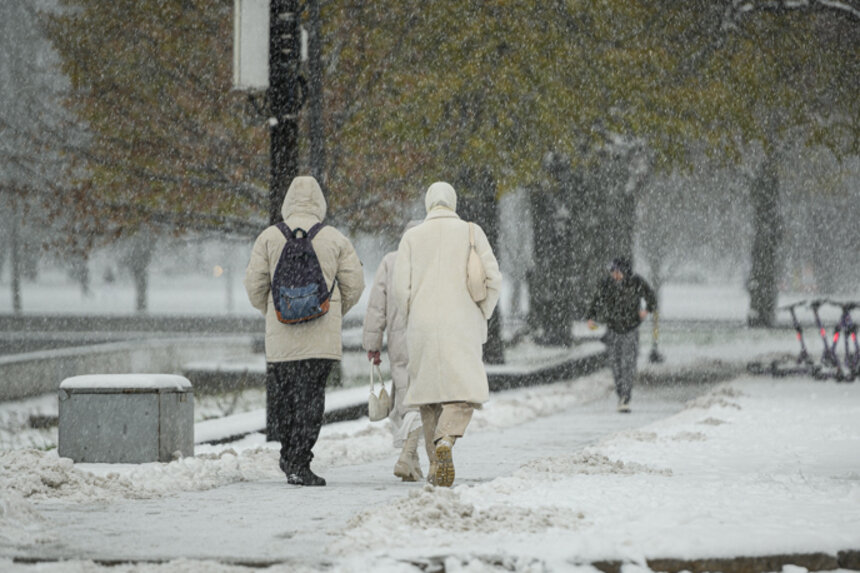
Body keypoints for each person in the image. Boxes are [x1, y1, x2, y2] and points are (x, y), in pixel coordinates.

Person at [243, 176, 365, 486]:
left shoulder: (269, 237)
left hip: (281, 336)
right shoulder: (334, 238)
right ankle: (300, 460)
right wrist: (331, 311)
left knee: (285, 398)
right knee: (311, 398)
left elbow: (254, 287)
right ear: (319, 202)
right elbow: (354, 285)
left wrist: (276, 312)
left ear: (287, 201)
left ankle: (289, 456)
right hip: (320, 337)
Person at [393, 181, 502, 487]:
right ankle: (446, 441)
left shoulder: (412, 237)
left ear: (428, 203)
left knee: (428, 398)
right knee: (463, 393)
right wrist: (482, 312)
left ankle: (433, 466)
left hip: (423, 326)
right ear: (453, 202)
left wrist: (411, 316)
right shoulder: (471, 231)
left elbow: (400, 288)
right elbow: (493, 279)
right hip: (461, 323)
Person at [362, 221, 424, 482]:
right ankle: (407, 454)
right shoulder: (432, 261)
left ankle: (412, 462)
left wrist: (373, 344)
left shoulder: (391, 261)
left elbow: (377, 307)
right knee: (420, 398)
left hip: (399, 340)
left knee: (405, 395)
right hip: (427, 337)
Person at [585, 257, 657, 413]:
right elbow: (597, 300)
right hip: (612, 328)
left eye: (617, 272)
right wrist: (591, 317)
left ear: (625, 272)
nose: (614, 275)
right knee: (615, 364)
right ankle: (620, 393)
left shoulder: (637, 282)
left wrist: (646, 310)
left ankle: (625, 396)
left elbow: (651, 297)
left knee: (628, 364)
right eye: (612, 272)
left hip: (631, 328)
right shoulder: (606, 284)